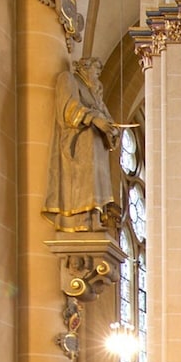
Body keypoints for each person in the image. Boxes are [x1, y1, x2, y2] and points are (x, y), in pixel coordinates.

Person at [43, 57, 120, 232]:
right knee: (84, 182)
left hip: (96, 149)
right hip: (80, 145)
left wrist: (112, 129)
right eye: (96, 71)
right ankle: (82, 220)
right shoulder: (69, 79)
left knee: (95, 184)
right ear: (84, 68)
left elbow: (108, 119)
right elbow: (68, 107)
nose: (98, 76)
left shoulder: (96, 94)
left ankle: (94, 219)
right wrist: (93, 118)